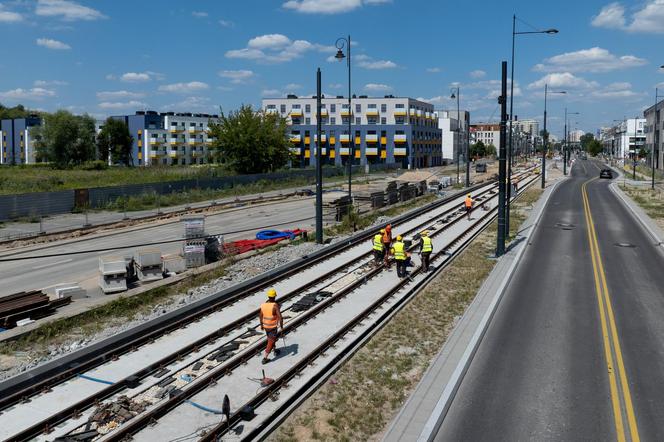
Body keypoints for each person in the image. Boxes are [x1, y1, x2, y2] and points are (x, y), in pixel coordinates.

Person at [259, 288, 283, 364]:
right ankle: (265, 358)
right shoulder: (275, 305)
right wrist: (281, 326)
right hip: (272, 327)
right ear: (274, 297)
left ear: (268, 296)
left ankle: (275, 350)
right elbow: (280, 318)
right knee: (271, 341)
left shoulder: (263, 305)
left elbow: (260, 316)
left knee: (271, 338)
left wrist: (261, 325)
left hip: (266, 327)